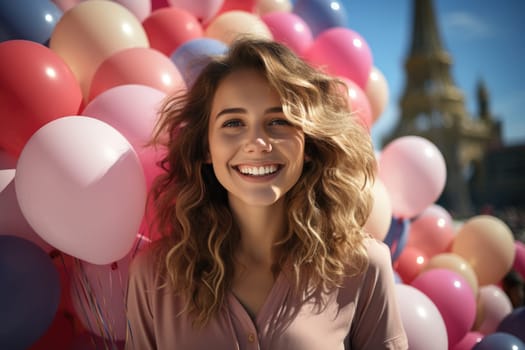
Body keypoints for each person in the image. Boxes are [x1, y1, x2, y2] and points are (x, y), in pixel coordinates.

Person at [125, 37, 408, 350]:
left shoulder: (364, 266)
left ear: (310, 143)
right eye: (233, 122)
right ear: (206, 147)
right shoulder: (153, 277)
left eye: (278, 121)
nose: (257, 143)